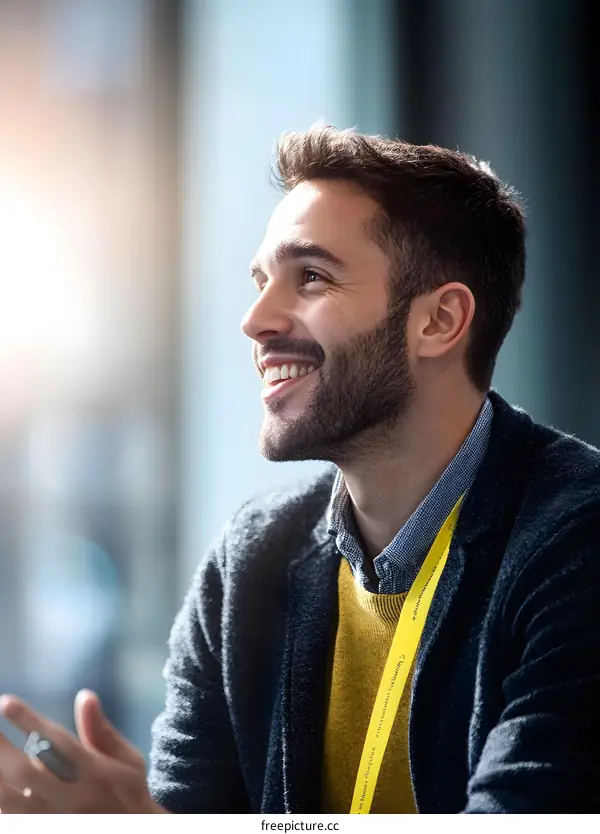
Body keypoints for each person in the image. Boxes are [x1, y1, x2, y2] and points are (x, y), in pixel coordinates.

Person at [1, 125, 600, 814]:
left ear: (439, 322)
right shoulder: (250, 562)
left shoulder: (576, 542)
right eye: (261, 282)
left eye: (310, 277)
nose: (255, 320)